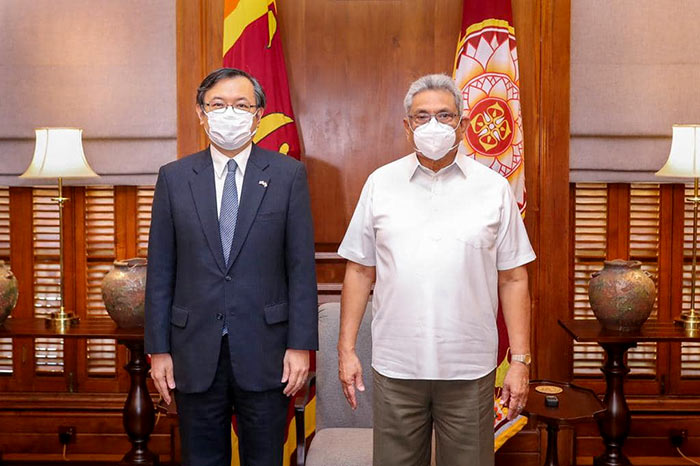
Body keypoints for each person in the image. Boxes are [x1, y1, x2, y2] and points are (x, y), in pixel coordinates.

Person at [336, 73, 535, 466]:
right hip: (397, 369)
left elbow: (513, 277)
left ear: (462, 124)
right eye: (422, 116)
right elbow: (359, 271)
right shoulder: (381, 183)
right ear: (407, 126)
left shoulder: (493, 188)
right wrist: (346, 350)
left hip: (469, 369)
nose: (433, 125)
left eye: (444, 116)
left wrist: (521, 361)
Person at [145, 67, 318, 466]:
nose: (230, 114)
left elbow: (300, 269)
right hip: (193, 351)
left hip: (268, 352)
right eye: (218, 105)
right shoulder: (174, 178)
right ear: (200, 113)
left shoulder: (287, 175)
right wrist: (158, 351)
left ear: (258, 116)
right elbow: (161, 271)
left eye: (242, 105)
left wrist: (300, 346)